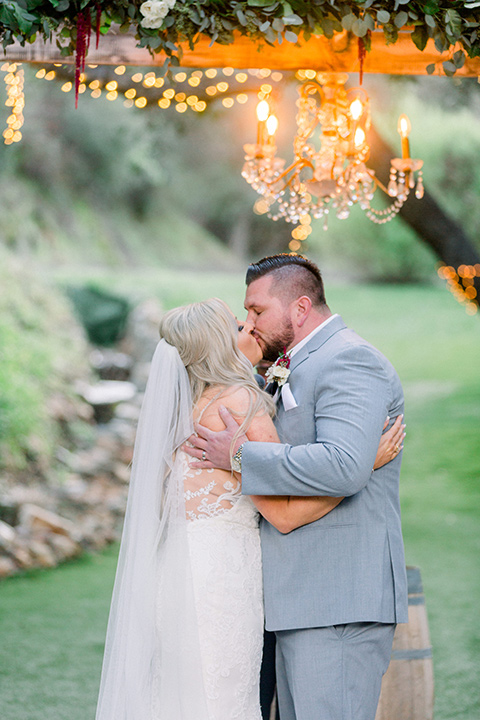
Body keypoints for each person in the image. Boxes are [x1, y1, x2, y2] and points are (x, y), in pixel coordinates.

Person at [95, 296, 403, 720]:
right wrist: (364, 466)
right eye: (240, 327)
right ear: (220, 347)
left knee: (175, 699)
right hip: (220, 581)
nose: (251, 329)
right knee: (223, 701)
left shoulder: (181, 410)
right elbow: (284, 513)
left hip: (175, 575)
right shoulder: (241, 403)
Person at [185, 255, 408, 720]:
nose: (249, 324)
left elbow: (345, 465)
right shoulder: (293, 364)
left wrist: (241, 456)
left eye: (257, 311)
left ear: (300, 308)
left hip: (336, 599)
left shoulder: (350, 359)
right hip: (299, 600)